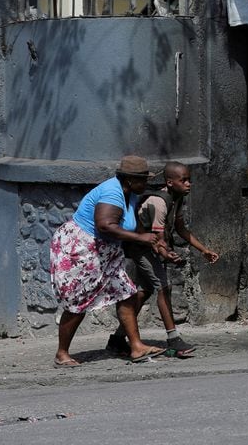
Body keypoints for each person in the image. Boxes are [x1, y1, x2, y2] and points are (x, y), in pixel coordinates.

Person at [50, 155, 166, 367]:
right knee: (78, 303)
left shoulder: (129, 193)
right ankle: (62, 353)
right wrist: (142, 238)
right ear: (129, 180)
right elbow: (105, 225)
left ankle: (137, 347)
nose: (146, 184)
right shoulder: (112, 192)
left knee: (126, 294)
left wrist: (154, 243)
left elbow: (132, 226)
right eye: (143, 180)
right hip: (83, 249)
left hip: (106, 252)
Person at [106, 162, 219, 358]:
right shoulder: (160, 203)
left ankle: (117, 339)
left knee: (144, 291)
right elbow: (157, 239)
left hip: (151, 246)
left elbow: (181, 229)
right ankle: (173, 340)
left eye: (189, 180)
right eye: (183, 180)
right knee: (162, 287)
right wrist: (166, 253)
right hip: (141, 247)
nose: (188, 184)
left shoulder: (177, 199)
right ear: (170, 182)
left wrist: (204, 250)